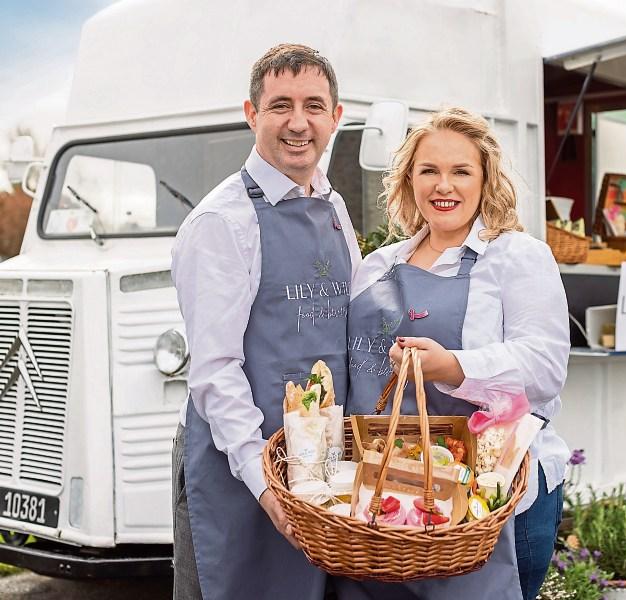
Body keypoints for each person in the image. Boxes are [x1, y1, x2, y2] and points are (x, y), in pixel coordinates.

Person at [336, 107, 570, 600]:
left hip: (489, 500)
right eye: (429, 171)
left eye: (461, 171)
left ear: (485, 179)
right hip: (383, 497)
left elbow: (545, 367)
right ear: (408, 180)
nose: (444, 186)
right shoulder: (377, 266)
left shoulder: (516, 257)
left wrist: (454, 367)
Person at [171, 44, 361, 600]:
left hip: (320, 472)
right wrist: (264, 481)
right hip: (242, 471)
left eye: (313, 106)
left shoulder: (334, 208)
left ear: (336, 117)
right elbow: (214, 372)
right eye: (280, 105)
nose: (298, 123)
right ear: (252, 114)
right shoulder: (221, 223)